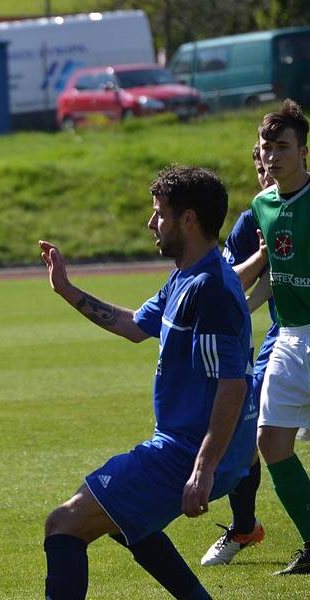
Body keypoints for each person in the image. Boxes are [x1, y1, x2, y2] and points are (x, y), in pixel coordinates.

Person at [39, 165, 256, 599]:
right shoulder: (187, 276)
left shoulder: (211, 288)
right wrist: (67, 289)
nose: (151, 224)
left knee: (64, 524)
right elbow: (135, 325)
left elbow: (232, 385)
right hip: (187, 448)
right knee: (124, 518)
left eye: (160, 213)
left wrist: (203, 470)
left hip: (187, 453)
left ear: (189, 219)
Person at [199, 143, 275, 566]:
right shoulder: (252, 220)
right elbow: (231, 284)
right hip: (282, 338)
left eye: (275, 161)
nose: (268, 173)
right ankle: (245, 526)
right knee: (252, 436)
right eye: (261, 167)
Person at [248, 99, 310, 575]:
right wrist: (236, 312)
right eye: (267, 147)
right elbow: (273, 273)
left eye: (283, 146)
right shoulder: (262, 206)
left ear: (303, 151)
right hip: (289, 339)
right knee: (271, 442)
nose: (273, 155)